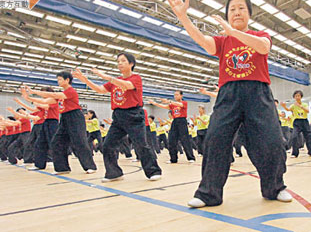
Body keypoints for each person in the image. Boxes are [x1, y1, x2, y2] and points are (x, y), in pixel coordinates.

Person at [166, 0, 292, 207]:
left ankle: (274, 187)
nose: (236, 12)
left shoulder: (260, 36)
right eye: (232, 9)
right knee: (215, 140)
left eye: (241, 8)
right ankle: (208, 194)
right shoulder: (223, 42)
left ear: (249, 14)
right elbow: (203, 41)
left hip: (258, 93)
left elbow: (263, 48)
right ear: (226, 16)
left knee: (272, 141)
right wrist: (183, 17)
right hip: (229, 94)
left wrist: (232, 32)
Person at [73, 53, 161, 182]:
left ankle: (153, 171)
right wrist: (85, 80)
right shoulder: (114, 81)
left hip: (134, 115)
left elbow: (127, 86)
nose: (120, 63)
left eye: (123, 61)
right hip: (118, 116)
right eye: (118, 61)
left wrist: (105, 76)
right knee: (108, 145)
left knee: (141, 145)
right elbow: (100, 89)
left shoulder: (136, 78)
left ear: (131, 64)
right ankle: (114, 173)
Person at [25, 71, 97, 175]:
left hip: (75, 116)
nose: (58, 81)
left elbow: (54, 94)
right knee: (57, 142)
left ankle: (90, 166)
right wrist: (28, 98)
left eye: (60, 79)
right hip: (64, 117)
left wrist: (34, 91)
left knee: (79, 142)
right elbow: (45, 101)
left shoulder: (70, 91)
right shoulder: (60, 95)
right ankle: (62, 168)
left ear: (67, 80)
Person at [149, 91, 196, 163]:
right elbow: (164, 106)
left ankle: (190, 157)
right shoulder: (172, 105)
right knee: (171, 140)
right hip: (175, 121)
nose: (175, 96)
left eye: (177, 95)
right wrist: (154, 103)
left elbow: (178, 104)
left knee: (185, 140)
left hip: (182, 121)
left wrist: (168, 101)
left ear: (181, 96)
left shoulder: (184, 103)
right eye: (174, 95)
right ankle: (173, 159)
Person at [281, 90, 311, 158]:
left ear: (301, 97)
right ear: (294, 97)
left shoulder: (304, 104)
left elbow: (307, 111)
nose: (297, 97)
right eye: (296, 96)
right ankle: (294, 153)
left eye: (298, 96)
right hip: (297, 122)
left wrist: (300, 106)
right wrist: (284, 106)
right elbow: (288, 110)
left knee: (310, 137)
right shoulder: (293, 105)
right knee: (294, 137)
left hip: (305, 121)